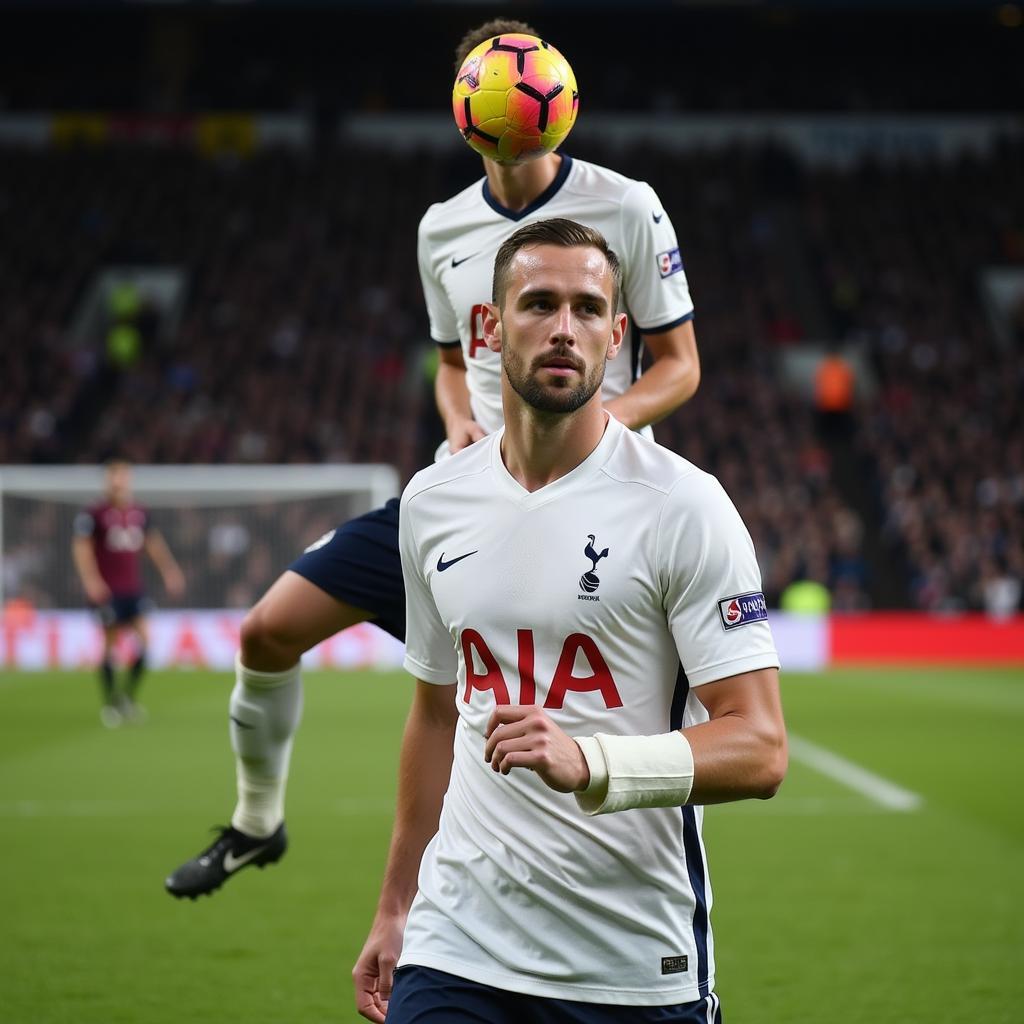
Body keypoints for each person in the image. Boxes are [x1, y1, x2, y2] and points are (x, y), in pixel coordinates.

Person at [164, 17, 701, 899]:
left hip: (590, 496)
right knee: (267, 631)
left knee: (545, 723)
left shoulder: (627, 204)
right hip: (468, 493)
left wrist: (602, 421)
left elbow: (681, 366)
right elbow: (453, 368)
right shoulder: (441, 229)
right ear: (468, 105)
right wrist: (458, 425)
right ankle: (258, 822)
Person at [353, 219, 785, 1023]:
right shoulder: (432, 502)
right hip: (457, 947)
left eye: (588, 309)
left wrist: (591, 760)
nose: (563, 329)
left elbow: (760, 748)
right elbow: (435, 712)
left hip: (627, 964)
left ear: (619, 334)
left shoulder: (684, 507)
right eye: (539, 303)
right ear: (489, 326)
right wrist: (395, 904)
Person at [72, 459, 185, 726]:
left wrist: (169, 571)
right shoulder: (94, 514)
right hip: (108, 591)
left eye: (122, 476)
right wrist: (91, 580)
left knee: (146, 641)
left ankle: (128, 698)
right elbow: (82, 548)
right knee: (111, 645)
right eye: (113, 477)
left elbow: (152, 544)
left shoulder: (139, 513)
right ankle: (111, 703)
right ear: (107, 481)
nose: (118, 482)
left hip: (133, 589)